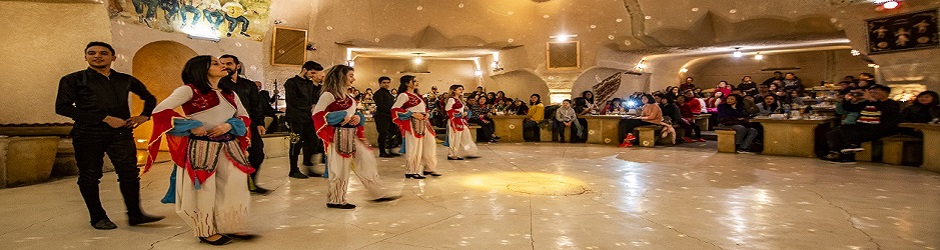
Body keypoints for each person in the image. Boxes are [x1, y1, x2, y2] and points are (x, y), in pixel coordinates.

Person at [145, 55, 256, 245]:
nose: (222, 65)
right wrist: (191, 125)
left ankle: (231, 225)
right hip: (202, 147)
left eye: (222, 63)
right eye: (215, 63)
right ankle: (205, 230)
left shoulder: (230, 93)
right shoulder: (189, 90)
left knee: (234, 186)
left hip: (229, 147)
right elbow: (160, 111)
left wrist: (229, 126)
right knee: (204, 189)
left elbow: (244, 116)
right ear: (200, 68)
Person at [55, 42, 163, 230]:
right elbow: (62, 107)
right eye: (92, 53)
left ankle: (135, 214)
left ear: (113, 57)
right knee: (89, 175)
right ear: (85, 57)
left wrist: (144, 116)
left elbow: (149, 98)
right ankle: (97, 217)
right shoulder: (73, 79)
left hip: (120, 133)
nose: (97, 56)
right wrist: (104, 118)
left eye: (104, 53)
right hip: (88, 134)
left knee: (129, 173)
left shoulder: (125, 79)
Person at [312, 65, 400, 208]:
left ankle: (377, 192)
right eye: (350, 75)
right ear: (341, 76)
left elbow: (353, 115)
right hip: (337, 136)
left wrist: (358, 118)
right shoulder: (328, 95)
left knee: (366, 160)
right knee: (339, 167)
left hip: (352, 135)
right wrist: (340, 117)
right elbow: (317, 115)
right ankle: (336, 199)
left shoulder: (349, 97)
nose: (353, 79)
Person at [218, 54, 269, 193]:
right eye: (222, 64)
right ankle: (232, 187)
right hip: (227, 125)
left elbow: (256, 105)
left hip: (249, 124)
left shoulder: (249, 85)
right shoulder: (219, 84)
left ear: (237, 66)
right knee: (231, 157)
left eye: (229, 64)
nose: (225, 67)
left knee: (257, 154)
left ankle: (251, 182)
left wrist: (260, 123)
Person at [824, 84, 901, 164]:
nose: (873, 93)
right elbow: (850, 108)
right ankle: (840, 154)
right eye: (871, 92)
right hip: (862, 126)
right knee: (834, 133)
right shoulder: (866, 103)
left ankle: (852, 147)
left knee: (846, 132)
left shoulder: (892, 104)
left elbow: (887, 111)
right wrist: (846, 100)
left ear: (886, 93)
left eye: (876, 91)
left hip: (879, 128)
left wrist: (873, 101)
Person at [284, 61, 326, 179]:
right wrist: (310, 107)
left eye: (315, 73)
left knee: (313, 142)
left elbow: (313, 98)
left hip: (308, 118)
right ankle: (293, 170)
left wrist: (315, 106)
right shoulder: (291, 82)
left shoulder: (309, 84)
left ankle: (308, 166)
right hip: (295, 118)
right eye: (312, 72)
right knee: (295, 143)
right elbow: (292, 101)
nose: (313, 75)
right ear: (304, 69)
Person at [392, 75, 440, 179]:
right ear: (406, 83)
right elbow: (395, 109)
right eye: (413, 81)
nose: (416, 82)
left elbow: (422, 108)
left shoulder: (418, 95)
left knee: (429, 144)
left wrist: (427, 114)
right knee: (414, 147)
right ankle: (411, 170)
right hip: (413, 124)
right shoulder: (404, 95)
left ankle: (429, 167)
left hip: (424, 122)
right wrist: (412, 114)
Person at [444, 85, 480, 160]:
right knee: (454, 137)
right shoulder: (451, 99)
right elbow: (448, 110)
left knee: (463, 136)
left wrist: (464, 113)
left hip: (460, 120)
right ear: (454, 90)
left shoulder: (459, 100)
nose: (461, 91)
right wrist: (459, 114)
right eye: (459, 89)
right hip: (454, 120)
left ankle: (468, 151)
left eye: (462, 89)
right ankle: (452, 154)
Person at [373, 76, 400, 158]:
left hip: (389, 116)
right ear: (380, 83)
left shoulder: (388, 93)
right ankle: (382, 152)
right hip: (382, 116)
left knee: (393, 132)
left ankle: (391, 150)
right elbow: (380, 105)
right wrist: (391, 111)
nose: (386, 84)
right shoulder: (378, 93)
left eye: (388, 82)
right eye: (384, 83)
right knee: (383, 133)